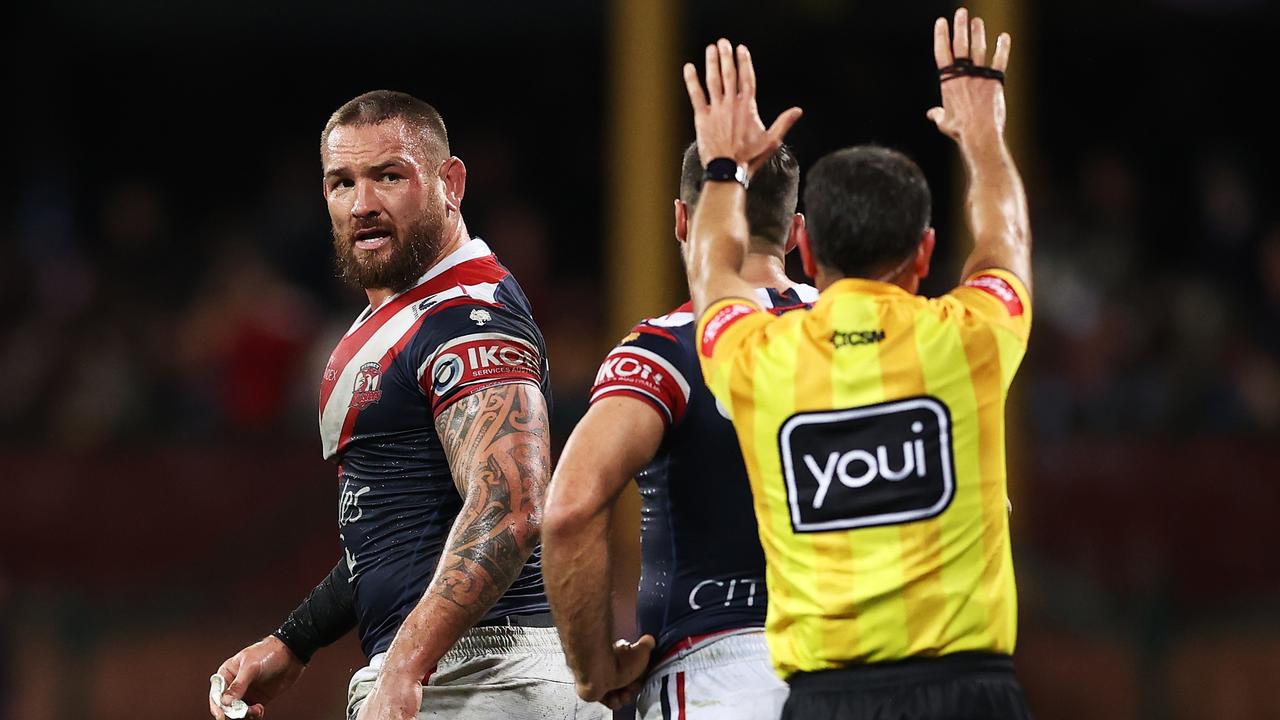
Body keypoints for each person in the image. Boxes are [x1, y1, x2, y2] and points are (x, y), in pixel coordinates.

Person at [678, 10, 1033, 720]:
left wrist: (725, 165)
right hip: (971, 691)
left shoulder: (761, 358)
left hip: (826, 699)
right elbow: (1006, 237)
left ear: (807, 258)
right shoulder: (972, 338)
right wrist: (984, 137)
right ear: (926, 254)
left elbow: (712, 267)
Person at [208, 90, 606, 720]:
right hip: (456, 673)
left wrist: (407, 662)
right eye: (342, 183)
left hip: (485, 676)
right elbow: (394, 536)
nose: (362, 204)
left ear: (451, 182)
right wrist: (294, 640)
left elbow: (511, 508)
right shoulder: (396, 320)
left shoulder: (468, 315)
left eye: (388, 176)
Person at [543, 141, 809, 718]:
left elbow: (569, 511)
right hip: (870, 668)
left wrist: (594, 670)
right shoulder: (881, 342)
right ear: (795, 233)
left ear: (682, 221)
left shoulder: (667, 350)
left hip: (722, 672)